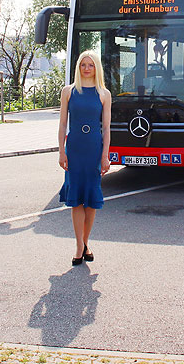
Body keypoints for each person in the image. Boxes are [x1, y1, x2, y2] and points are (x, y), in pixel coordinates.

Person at [57, 50, 112, 266]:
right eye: (83, 65)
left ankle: (85, 242)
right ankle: (79, 246)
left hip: (94, 150)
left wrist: (105, 155)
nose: (86, 68)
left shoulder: (104, 93)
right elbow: (62, 124)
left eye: (90, 65)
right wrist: (61, 150)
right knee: (76, 198)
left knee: (90, 199)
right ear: (78, 67)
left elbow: (106, 128)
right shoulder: (68, 91)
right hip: (75, 148)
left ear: (96, 68)